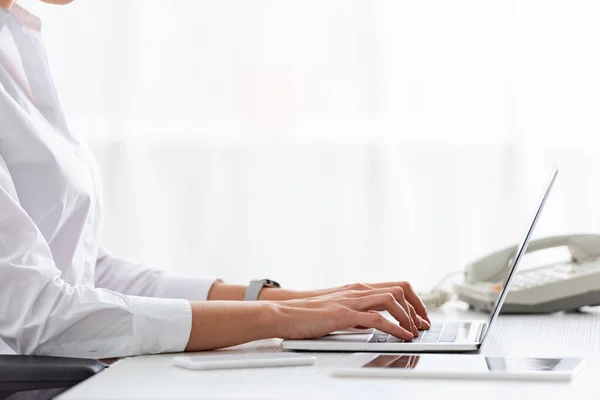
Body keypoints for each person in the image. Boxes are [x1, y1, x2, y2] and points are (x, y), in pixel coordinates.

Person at [0, 0, 430, 360]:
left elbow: (86, 272)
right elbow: (40, 317)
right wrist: (281, 320)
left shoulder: (16, 39)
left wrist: (304, 301)